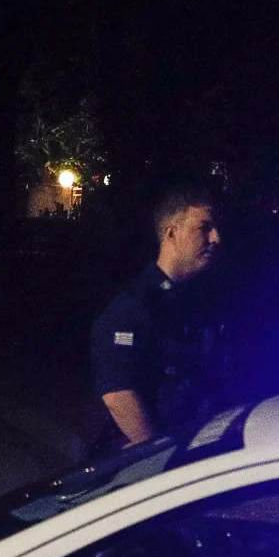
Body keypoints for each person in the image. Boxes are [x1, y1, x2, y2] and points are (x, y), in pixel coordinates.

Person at [90, 185, 223, 449]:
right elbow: (119, 395)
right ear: (172, 233)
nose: (216, 238)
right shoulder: (133, 308)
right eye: (204, 228)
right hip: (151, 462)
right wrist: (159, 455)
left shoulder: (201, 300)